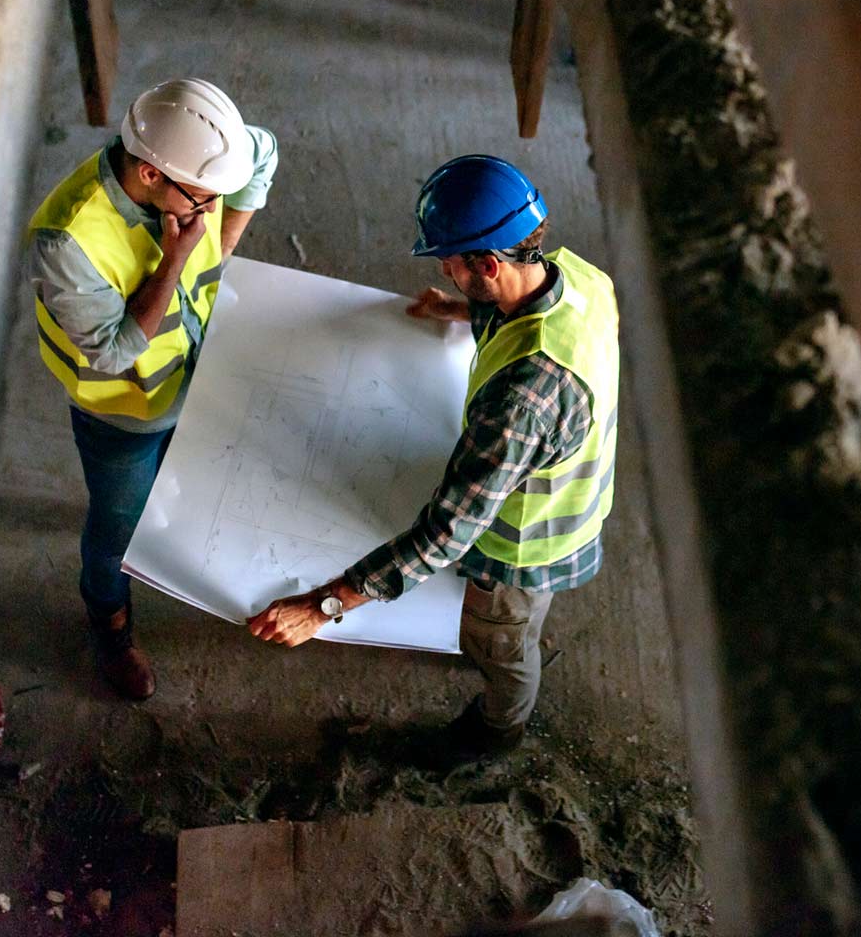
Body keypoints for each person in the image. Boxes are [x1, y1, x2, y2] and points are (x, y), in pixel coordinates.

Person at [247, 155, 620, 758]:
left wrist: (324, 605)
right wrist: (463, 308)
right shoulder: (581, 279)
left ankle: (498, 728)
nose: (443, 267)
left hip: (526, 544)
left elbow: (445, 536)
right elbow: (529, 318)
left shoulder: (523, 397)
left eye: (451, 259)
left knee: (498, 641)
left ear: (491, 263)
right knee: (504, 631)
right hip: (573, 484)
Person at [26, 78, 279, 699]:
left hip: (203, 376)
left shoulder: (194, 156)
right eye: (202, 199)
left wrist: (219, 245)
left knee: (193, 489)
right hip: (126, 414)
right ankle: (109, 629)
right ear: (147, 175)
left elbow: (263, 153)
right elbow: (113, 352)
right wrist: (174, 258)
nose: (212, 205)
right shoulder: (67, 241)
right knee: (118, 532)